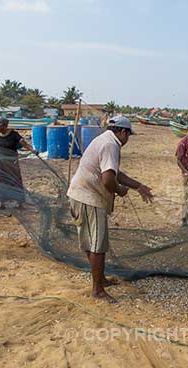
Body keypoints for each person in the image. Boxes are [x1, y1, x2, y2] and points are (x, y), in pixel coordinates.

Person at [67, 115, 153, 302]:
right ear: (122, 132)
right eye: (128, 135)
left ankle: (101, 280)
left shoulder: (104, 139)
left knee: (91, 241)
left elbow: (115, 173)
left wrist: (138, 186)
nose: (127, 140)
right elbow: (108, 180)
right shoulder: (111, 145)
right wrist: (120, 191)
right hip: (89, 199)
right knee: (98, 245)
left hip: (78, 195)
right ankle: (97, 290)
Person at [0, 118, 37, 206]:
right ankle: (2, 202)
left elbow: (25, 144)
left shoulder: (14, 135)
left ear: (5, 126)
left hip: (12, 163)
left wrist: (33, 150)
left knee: (14, 181)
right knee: (1, 181)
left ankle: (19, 202)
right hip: (0, 164)